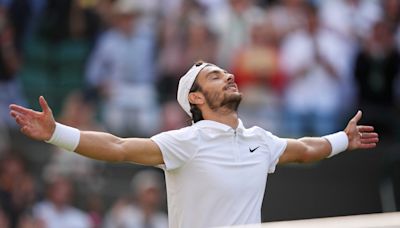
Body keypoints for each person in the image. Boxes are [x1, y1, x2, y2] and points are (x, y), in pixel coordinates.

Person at [9, 61, 379, 228]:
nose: (230, 76)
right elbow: (119, 146)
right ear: (197, 99)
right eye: (216, 77)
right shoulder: (187, 142)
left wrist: (341, 141)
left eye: (226, 72)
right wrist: (56, 132)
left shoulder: (260, 141)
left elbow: (304, 149)